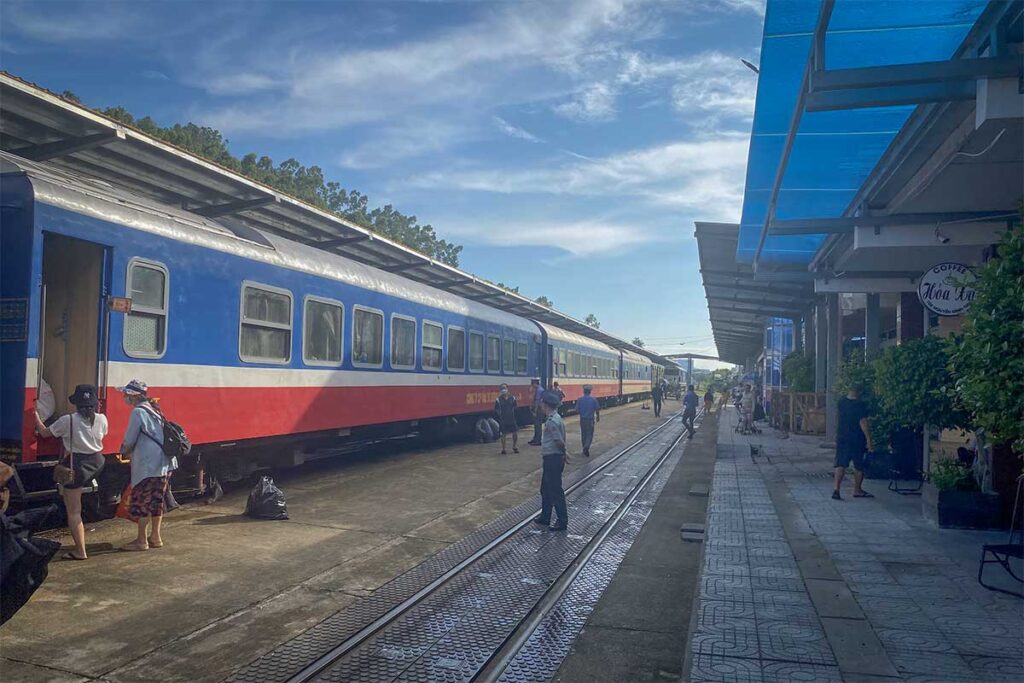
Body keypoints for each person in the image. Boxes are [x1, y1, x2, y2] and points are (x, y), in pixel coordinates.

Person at [33, 384, 107, 561]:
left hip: (77, 465)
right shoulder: (102, 418)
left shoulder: (68, 420)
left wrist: (34, 413)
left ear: (76, 403)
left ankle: (80, 551)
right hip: (97, 462)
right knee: (77, 504)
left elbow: (44, 433)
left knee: (74, 511)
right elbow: (101, 436)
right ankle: (79, 548)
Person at [118, 379, 174, 551]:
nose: (124, 397)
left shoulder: (138, 412)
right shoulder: (155, 409)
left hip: (147, 466)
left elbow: (130, 439)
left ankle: (141, 540)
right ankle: (156, 537)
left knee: (142, 501)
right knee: (157, 501)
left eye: (126, 394)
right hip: (164, 463)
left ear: (133, 396)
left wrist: (122, 450)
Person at [534, 390, 568, 531]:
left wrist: (565, 452)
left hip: (553, 458)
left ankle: (562, 521)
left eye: (542, 403)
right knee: (545, 489)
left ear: (545, 405)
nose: (540, 405)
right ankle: (545, 516)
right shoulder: (556, 418)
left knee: (555, 490)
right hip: (552, 457)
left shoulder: (552, 421)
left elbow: (558, 441)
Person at [833, 386, 874, 500]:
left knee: (841, 463)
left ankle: (836, 489)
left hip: (842, 437)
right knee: (859, 465)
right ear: (858, 391)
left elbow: (838, 418)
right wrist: (869, 439)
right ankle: (857, 490)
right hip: (857, 438)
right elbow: (863, 422)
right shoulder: (860, 405)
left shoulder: (841, 402)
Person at [494, 383, 519, 455]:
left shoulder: (512, 398)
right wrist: (500, 414)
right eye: (502, 388)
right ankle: (503, 449)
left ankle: (514, 446)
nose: (503, 390)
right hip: (503, 419)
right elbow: (496, 409)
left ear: (507, 389)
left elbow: (515, 407)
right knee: (503, 434)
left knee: (515, 433)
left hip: (511, 418)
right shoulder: (498, 399)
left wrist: (512, 413)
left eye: (504, 388)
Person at [576, 385, 600, 457]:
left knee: (583, 434)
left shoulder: (580, 399)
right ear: (590, 391)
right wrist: (598, 417)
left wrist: (581, 412)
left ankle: (584, 447)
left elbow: (576, 410)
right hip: (590, 420)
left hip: (582, 419)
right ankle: (586, 446)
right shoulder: (593, 399)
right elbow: (597, 409)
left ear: (583, 391)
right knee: (589, 434)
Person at [528, 378, 544, 446]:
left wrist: (535, 411)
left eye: (532, 383)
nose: (532, 385)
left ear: (535, 383)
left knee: (538, 425)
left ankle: (538, 440)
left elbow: (537, 401)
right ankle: (535, 438)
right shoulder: (538, 389)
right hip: (539, 409)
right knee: (536, 425)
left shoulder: (539, 390)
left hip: (539, 410)